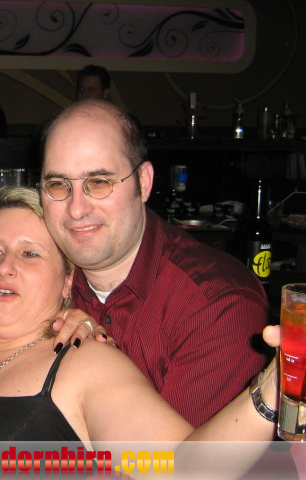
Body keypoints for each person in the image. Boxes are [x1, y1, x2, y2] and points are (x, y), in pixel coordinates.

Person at [0, 186, 278, 480]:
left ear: (66, 280)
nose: (5, 266)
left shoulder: (83, 362)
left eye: (30, 253)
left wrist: (273, 390)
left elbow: (184, 467)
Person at [40, 99, 270, 427]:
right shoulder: (37, 280)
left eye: (99, 182)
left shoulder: (217, 305)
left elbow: (179, 458)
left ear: (144, 182)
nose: (76, 209)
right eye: (58, 185)